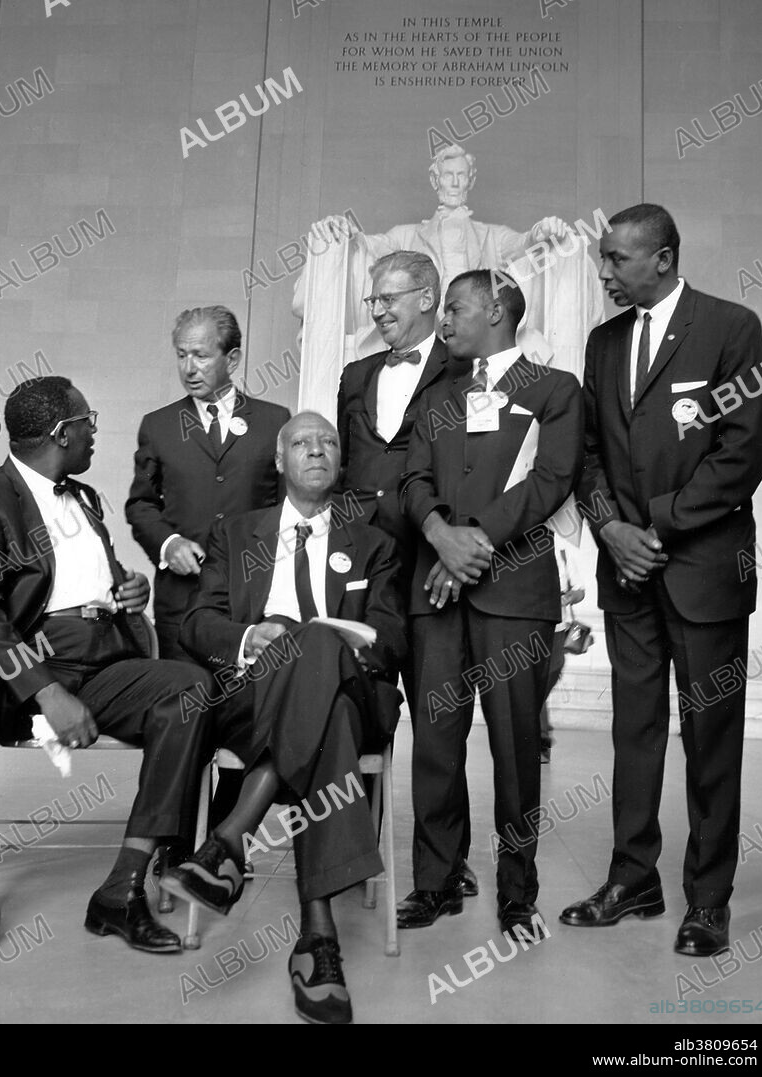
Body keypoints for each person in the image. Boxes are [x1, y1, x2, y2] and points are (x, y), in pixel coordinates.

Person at [0, 376, 216, 979]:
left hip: (104, 655)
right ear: (61, 432)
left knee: (189, 687)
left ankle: (120, 892)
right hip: (28, 661)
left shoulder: (85, 498)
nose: (94, 429)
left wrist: (125, 588)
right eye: (87, 420)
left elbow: (72, 575)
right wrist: (45, 691)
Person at [560, 204, 762, 957]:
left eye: (616, 259)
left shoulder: (729, 327)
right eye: (601, 258)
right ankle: (631, 879)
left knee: (710, 735)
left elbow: (741, 452)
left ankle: (706, 901)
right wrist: (610, 529)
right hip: (626, 571)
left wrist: (653, 522)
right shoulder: (602, 341)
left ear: (662, 257)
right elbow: (585, 453)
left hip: (704, 571)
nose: (604, 272)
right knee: (635, 729)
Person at [162, 411, 406, 1025]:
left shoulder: (374, 543)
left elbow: (393, 639)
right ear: (279, 461)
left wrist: (324, 643)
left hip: (353, 689)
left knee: (318, 646)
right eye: (302, 442)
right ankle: (317, 941)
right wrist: (251, 636)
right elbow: (197, 622)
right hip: (253, 701)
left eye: (328, 443)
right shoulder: (238, 534)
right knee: (331, 720)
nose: (316, 450)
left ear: (342, 462)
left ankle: (229, 841)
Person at [398, 270, 583, 935]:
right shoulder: (437, 395)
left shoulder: (554, 390)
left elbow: (554, 479)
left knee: (513, 746)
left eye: (454, 307)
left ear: (497, 309)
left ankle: (515, 891)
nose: (443, 318)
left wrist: (472, 545)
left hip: (513, 593)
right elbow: (413, 477)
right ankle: (435, 881)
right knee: (434, 746)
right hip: (434, 590)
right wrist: (439, 536)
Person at [336, 249, 477, 898]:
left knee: (438, 724)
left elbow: (480, 466)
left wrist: (456, 546)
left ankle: (443, 868)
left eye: (388, 298)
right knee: (354, 706)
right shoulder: (354, 374)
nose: (378, 311)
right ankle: (347, 853)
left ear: (427, 297)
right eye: (372, 301)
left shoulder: (467, 367)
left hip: (433, 572)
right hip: (365, 577)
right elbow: (344, 478)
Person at [293, 143, 602, 418]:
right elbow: (370, 248)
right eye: (447, 174)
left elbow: (523, 244)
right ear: (434, 180)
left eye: (461, 175)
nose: (454, 182)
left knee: (549, 255)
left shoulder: (490, 235)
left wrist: (542, 233)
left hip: (477, 330)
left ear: (471, 180)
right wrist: (345, 232)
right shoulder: (407, 234)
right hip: (423, 328)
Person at [126, 306, 290, 661]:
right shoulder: (158, 426)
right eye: (182, 355)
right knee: (183, 706)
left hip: (250, 601)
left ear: (232, 359)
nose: (188, 368)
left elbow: (286, 510)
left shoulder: (274, 421)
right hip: (181, 605)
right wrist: (167, 545)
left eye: (200, 355)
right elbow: (141, 504)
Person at [538, 537, 586, 764]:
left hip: (558, 626)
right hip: (531, 626)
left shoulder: (563, 550)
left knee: (551, 672)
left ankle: (536, 729)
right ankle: (541, 740)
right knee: (534, 680)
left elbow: (580, 590)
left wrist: (567, 597)